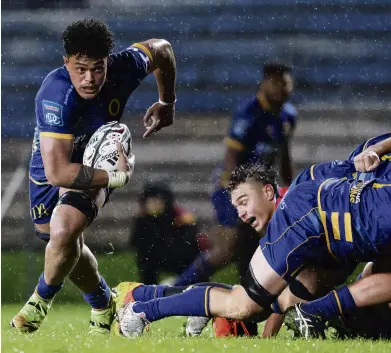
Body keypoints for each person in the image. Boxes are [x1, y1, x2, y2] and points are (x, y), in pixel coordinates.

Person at [116, 123, 391, 340]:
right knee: (243, 304)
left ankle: (154, 297)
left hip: (335, 224)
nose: (242, 214)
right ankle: (144, 307)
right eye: (239, 204)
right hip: (318, 222)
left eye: (244, 202)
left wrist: (375, 151)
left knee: (294, 291)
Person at [11, 17, 177, 335]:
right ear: (66, 63)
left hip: (98, 157)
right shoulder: (55, 94)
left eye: (98, 68)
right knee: (59, 241)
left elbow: (163, 50)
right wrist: (115, 178)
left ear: (107, 61)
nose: (90, 79)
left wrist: (167, 101)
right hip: (54, 163)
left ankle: (39, 300)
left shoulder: (125, 66)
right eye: (80, 69)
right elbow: (58, 171)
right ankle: (103, 301)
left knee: (65, 228)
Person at [171, 62, 297, 287]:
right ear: (265, 83)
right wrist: (235, 192)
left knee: (253, 244)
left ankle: (249, 294)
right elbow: (231, 156)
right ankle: (179, 286)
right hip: (231, 185)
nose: (282, 88)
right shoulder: (249, 112)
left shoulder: (288, 115)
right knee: (229, 247)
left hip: (259, 190)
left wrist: (293, 187)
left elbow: (284, 154)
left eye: (286, 83)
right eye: (277, 83)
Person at [130, 182, 206, 284]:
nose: (154, 204)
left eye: (158, 200)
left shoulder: (181, 218)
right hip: (157, 256)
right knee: (145, 260)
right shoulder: (142, 220)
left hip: (180, 256)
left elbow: (191, 245)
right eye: (151, 200)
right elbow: (135, 243)